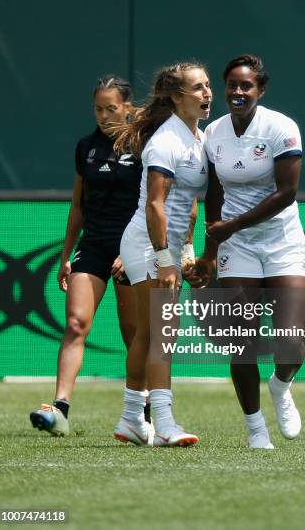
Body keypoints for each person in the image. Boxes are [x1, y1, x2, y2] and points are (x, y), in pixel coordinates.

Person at [195, 54, 305, 449]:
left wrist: (233, 225)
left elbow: (287, 192)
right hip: (236, 246)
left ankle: (281, 386)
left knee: (290, 341)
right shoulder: (213, 133)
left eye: (247, 86)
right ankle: (256, 429)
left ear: (260, 90)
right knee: (241, 341)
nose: (238, 92)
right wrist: (210, 250)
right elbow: (213, 194)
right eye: (232, 85)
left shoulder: (281, 128)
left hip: (281, 241)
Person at [30, 75, 146, 437]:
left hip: (132, 247)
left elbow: (154, 202)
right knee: (77, 323)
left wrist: (134, 251)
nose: (103, 115)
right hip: (93, 245)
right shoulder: (86, 147)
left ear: (128, 107)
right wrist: (66, 254)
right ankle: (60, 408)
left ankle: (141, 409)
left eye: (111, 108)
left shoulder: (146, 144)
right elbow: (78, 205)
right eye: (98, 108)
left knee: (134, 332)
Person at [113, 61, 211, 447]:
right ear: (176, 97)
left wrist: (185, 251)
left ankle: (130, 419)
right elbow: (156, 204)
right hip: (147, 242)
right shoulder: (166, 141)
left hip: (165, 246)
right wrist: (164, 258)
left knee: (150, 333)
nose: (207, 94)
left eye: (207, 86)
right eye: (197, 88)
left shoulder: (198, 138)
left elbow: (188, 205)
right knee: (163, 334)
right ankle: (165, 423)